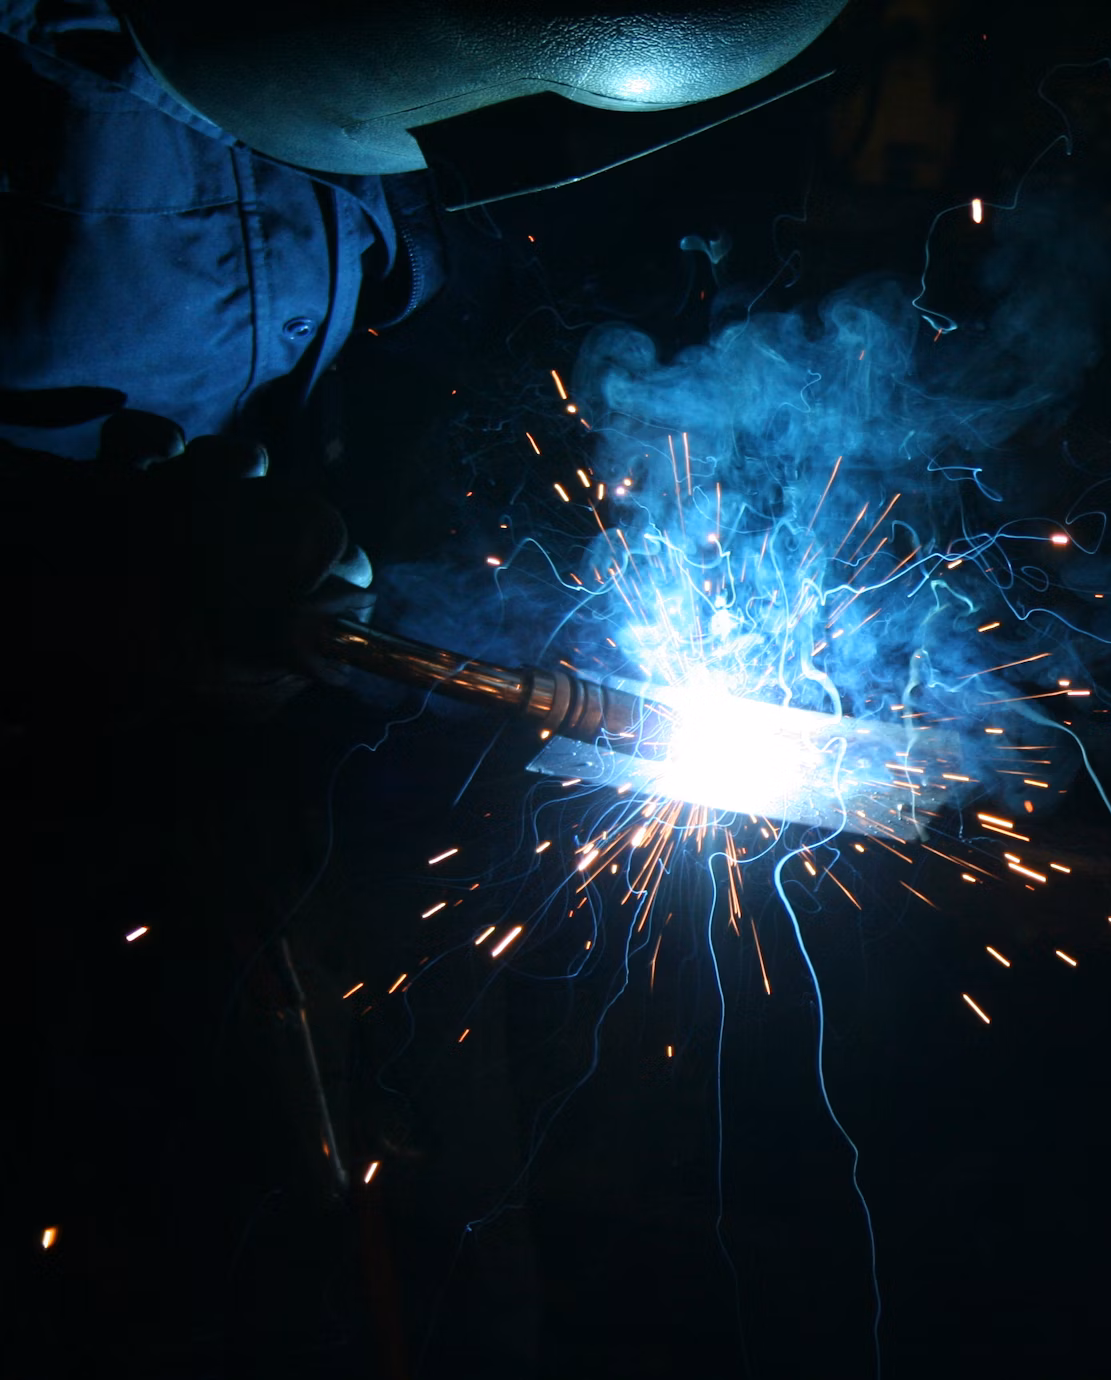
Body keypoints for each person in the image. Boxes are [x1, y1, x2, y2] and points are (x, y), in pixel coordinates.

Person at [3, 2, 846, 1372]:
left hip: (329, 776)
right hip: (55, 791)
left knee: (440, 1242)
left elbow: (421, 351)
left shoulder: (451, 86)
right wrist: (100, 564)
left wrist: (482, 568)